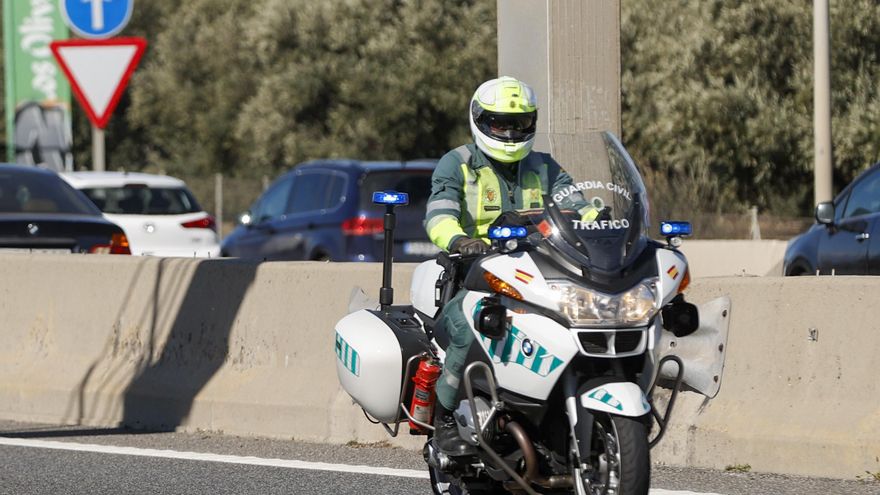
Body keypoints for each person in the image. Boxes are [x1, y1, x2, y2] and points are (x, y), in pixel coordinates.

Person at [424, 76, 598, 455]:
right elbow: (438, 216)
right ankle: (446, 419)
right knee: (467, 330)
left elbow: (578, 204)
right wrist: (460, 241)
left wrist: (599, 220)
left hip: (540, 272)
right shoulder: (458, 164)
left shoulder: (545, 166)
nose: (509, 131)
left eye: (518, 123)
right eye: (500, 122)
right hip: (474, 274)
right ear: (480, 121)